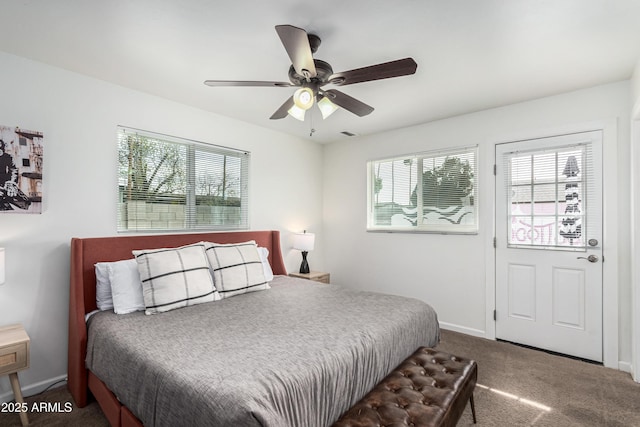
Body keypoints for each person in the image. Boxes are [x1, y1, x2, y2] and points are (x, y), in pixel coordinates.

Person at [0, 139, 19, 210]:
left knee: (24, 203)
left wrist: (11, 183)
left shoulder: (8, 157)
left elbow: (14, 170)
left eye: (1, 148)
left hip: (5, 182)